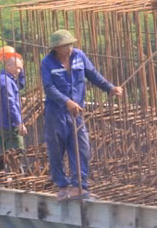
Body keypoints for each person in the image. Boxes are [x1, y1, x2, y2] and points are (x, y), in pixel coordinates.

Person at [40, 28, 123, 200]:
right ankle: (62, 185)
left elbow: (93, 75)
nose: (69, 48)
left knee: (81, 148)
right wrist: (66, 101)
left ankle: (79, 186)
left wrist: (110, 88)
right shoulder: (47, 63)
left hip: (76, 114)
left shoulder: (79, 56)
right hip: (56, 114)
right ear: (56, 48)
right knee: (56, 150)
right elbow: (49, 88)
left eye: (70, 44)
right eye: (65, 45)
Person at [0, 50, 26, 172]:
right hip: (10, 126)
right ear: (8, 66)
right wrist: (19, 123)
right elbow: (10, 104)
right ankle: (16, 178)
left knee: (10, 154)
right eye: (17, 68)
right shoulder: (6, 81)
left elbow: (20, 85)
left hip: (3, 124)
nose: (19, 71)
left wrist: (21, 69)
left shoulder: (4, 79)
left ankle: (14, 175)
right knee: (16, 153)